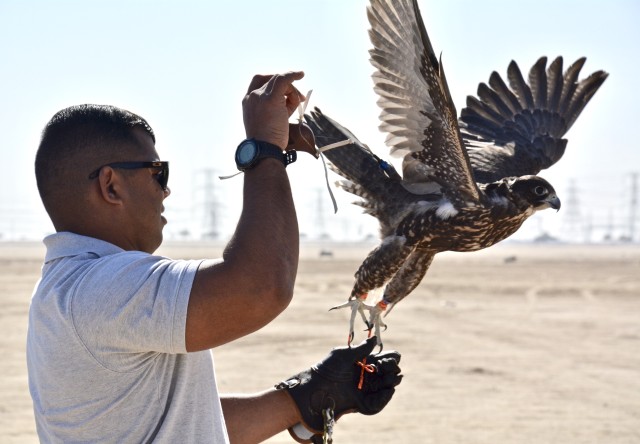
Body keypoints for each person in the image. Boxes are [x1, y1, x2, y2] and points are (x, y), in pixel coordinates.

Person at [27, 71, 402, 443]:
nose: (167, 190)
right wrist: (263, 148)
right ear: (111, 185)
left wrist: (307, 398)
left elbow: (187, 422)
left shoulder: (71, 291)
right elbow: (260, 288)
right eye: (158, 173)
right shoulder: (99, 288)